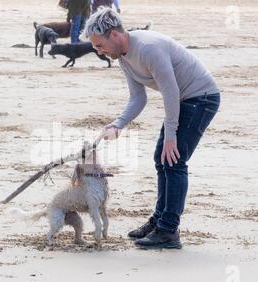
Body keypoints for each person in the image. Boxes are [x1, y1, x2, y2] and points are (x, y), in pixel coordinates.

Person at [84, 8, 220, 249]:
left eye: (99, 45)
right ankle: (159, 221)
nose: (98, 51)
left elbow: (171, 91)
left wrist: (171, 136)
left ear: (114, 35)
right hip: (184, 100)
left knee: (174, 161)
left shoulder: (148, 48)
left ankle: (168, 231)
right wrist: (118, 123)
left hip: (201, 98)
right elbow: (138, 98)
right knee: (161, 159)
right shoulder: (123, 57)